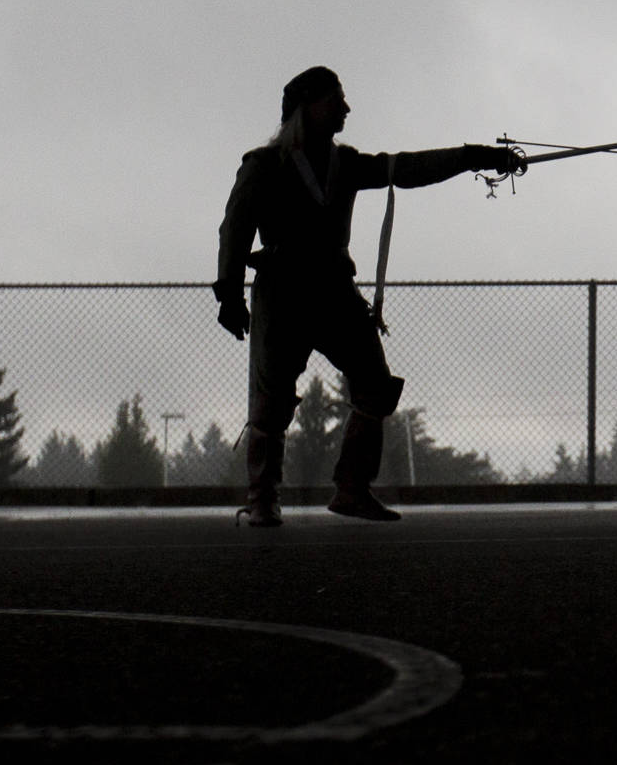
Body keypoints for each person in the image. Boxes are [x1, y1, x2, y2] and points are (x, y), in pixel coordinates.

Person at [215, 66, 517, 527]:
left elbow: (408, 168)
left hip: (335, 290)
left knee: (374, 385)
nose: (346, 109)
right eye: (336, 100)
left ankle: (352, 489)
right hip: (283, 293)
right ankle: (262, 499)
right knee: (272, 402)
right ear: (308, 107)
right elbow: (234, 231)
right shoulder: (263, 166)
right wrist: (229, 296)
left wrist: (477, 157)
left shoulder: (347, 163)